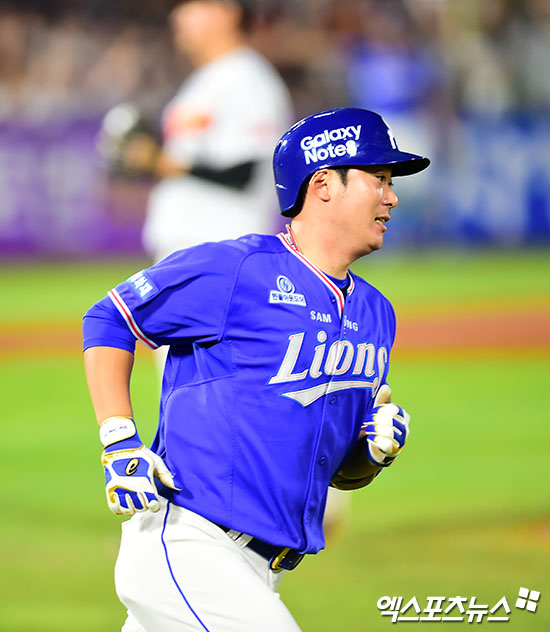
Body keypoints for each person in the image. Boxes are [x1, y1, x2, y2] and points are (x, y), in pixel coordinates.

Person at [83, 107, 430, 631]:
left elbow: (339, 471)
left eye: (391, 182)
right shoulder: (238, 268)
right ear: (323, 185)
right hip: (189, 547)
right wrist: (118, 439)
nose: (392, 197)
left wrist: (374, 452)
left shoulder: (376, 314)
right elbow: (109, 317)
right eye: (378, 178)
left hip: (260, 572)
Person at [140, 0, 293, 263]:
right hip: (194, 245)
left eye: (192, 6)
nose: (178, 16)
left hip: (222, 244)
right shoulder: (208, 78)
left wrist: (161, 162)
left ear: (227, 13)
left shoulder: (248, 78)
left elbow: (245, 173)